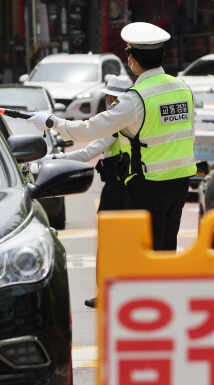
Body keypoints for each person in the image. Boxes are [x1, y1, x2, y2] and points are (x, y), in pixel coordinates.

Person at [27, 22, 196, 252]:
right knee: (166, 251)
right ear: (163, 54)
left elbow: (90, 130)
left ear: (132, 59)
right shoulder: (183, 89)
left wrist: (52, 122)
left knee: (144, 256)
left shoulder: (136, 99)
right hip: (179, 185)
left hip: (148, 187)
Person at [48, 75, 134, 309]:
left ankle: (106, 294)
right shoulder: (135, 114)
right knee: (129, 243)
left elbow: (89, 151)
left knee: (108, 244)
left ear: (110, 97)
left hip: (117, 188)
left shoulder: (116, 120)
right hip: (134, 186)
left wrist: (55, 158)